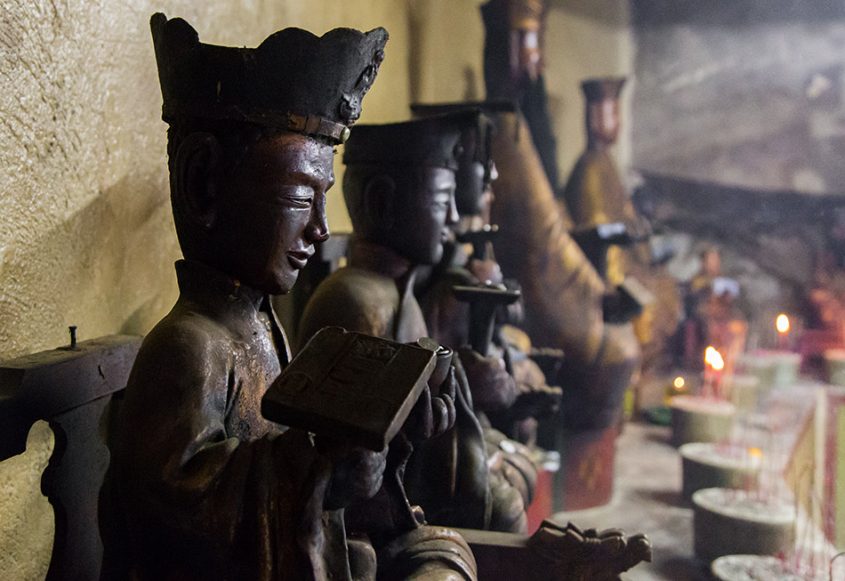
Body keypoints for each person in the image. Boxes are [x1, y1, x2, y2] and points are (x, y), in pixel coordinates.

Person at [102, 14, 476, 580]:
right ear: (204, 184)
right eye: (302, 198)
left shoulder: (260, 324)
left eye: (324, 200)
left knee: (434, 557)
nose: (321, 229)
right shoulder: (188, 347)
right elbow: (179, 519)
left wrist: (387, 439)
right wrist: (323, 474)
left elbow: (286, 453)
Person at [297, 113, 528, 533]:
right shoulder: (354, 302)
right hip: (369, 514)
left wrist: (457, 387)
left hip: (406, 481)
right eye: (441, 202)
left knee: (512, 470)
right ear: (382, 202)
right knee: (504, 508)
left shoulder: (396, 293)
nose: (454, 217)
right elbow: (356, 453)